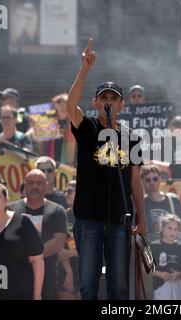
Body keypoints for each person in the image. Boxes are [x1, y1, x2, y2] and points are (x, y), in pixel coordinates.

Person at [66, 38, 146, 300]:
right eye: (104, 98)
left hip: (120, 219)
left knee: (119, 288)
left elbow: (135, 182)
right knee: (88, 285)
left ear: (122, 105)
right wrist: (84, 69)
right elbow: (69, 107)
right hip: (88, 216)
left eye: (114, 98)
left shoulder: (132, 137)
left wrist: (141, 218)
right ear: (95, 103)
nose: (109, 101)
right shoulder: (87, 127)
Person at [8, 169, 67, 300]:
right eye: (30, 183)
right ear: (25, 185)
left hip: (47, 279)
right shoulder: (10, 209)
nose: (34, 186)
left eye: (39, 183)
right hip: (14, 277)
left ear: (46, 185)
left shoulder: (57, 211)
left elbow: (58, 242)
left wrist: (32, 257)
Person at [141, 164, 181, 243]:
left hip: (171, 248)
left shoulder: (173, 199)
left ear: (160, 179)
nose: (152, 182)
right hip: (149, 248)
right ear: (142, 181)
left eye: (155, 179)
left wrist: (170, 225)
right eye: (148, 180)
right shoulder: (140, 202)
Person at [150, 214, 181, 300]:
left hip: (178, 285)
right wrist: (160, 274)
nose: (173, 232)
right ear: (162, 228)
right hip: (160, 286)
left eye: (176, 229)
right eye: (169, 228)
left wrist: (180, 274)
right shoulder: (154, 246)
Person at [56, 180, 80, 300]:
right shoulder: (62, 216)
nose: (66, 194)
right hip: (65, 271)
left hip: (85, 271)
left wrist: (71, 253)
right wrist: (69, 273)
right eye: (65, 192)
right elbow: (59, 252)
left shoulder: (90, 218)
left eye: (69, 191)